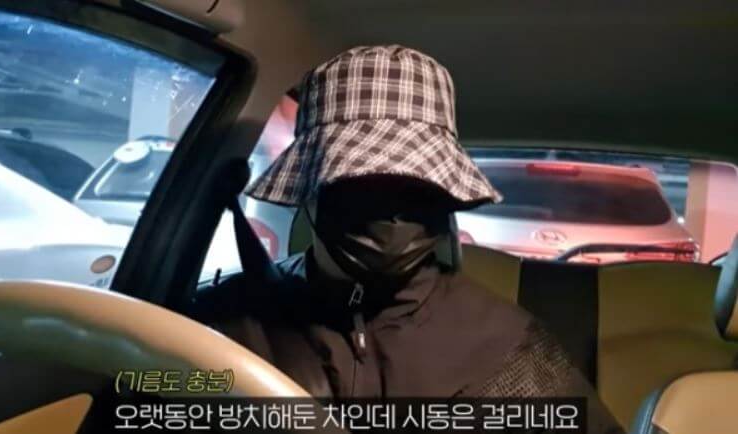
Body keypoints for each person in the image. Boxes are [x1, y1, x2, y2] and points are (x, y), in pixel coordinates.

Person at [209, 45, 624, 433]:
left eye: (415, 188)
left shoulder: (506, 345)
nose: (391, 214)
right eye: (362, 185)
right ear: (311, 188)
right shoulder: (230, 319)